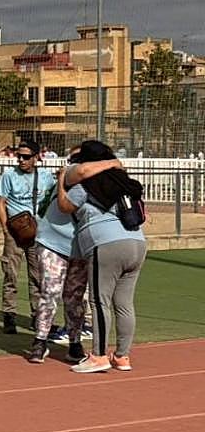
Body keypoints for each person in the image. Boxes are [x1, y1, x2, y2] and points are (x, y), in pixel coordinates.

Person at [57, 140, 147, 374]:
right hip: (137, 242)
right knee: (124, 303)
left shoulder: (87, 183)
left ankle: (98, 356)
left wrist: (60, 182)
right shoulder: (124, 182)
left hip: (105, 244)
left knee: (99, 301)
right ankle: (122, 356)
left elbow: (65, 206)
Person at [28, 145, 88, 364]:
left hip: (80, 247)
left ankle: (75, 341)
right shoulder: (70, 177)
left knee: (75, 297)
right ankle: (40, 340)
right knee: (50, 291)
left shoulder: (95, 183)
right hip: (52, 241)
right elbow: (64, 205)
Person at [0, 140, 55, 334]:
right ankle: (9, 314)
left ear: (37, 158)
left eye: (26, 157)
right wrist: (5, 229)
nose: (21, 160)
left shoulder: (46, 177)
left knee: (37, 276)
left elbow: (54, 199)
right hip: (15, 230)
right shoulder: (9, 175)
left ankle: (37, 316)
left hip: (37, 231)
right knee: (10, 273)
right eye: (18, 155)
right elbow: (0, 202)